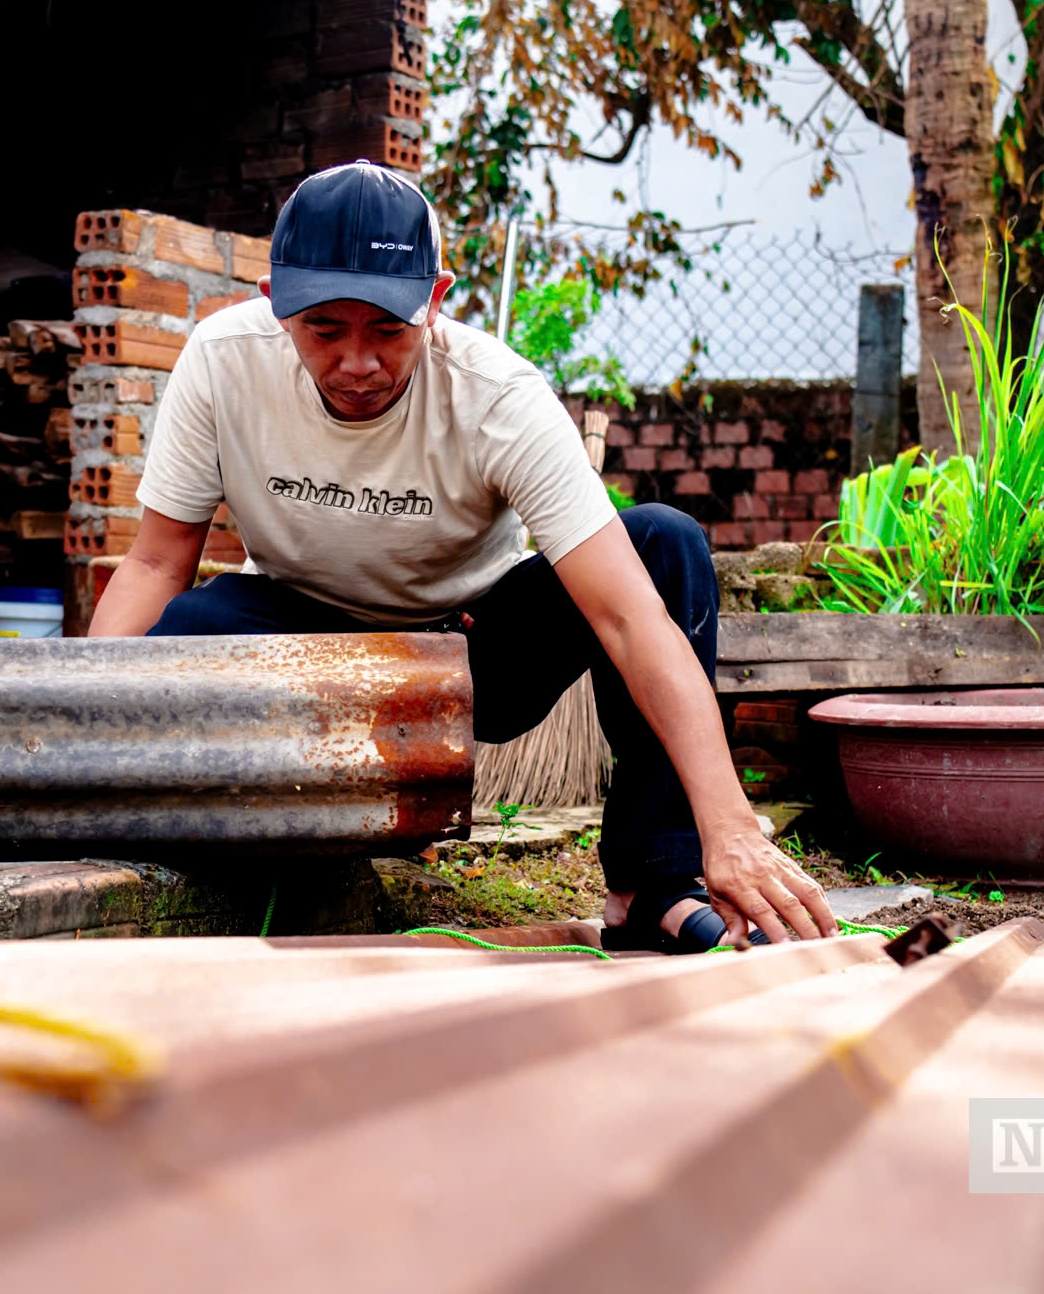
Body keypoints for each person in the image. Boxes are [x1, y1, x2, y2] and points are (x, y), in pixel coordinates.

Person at [87, 161, 834, 952]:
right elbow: (154, 565)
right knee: (191, 624)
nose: (357, 363)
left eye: (386, 330)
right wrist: (81, 731)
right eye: (325, 331)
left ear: (435, 299)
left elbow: (627, 615)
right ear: (277, 306)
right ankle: (243, 839)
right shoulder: (221, 358)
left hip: (470, 648)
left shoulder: (497, 396)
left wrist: (730, 827)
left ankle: (654, 882)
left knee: (662, 544)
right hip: (302, 633)